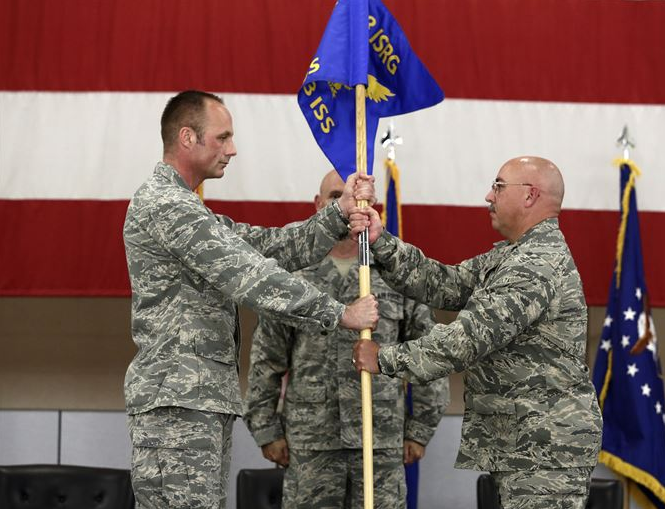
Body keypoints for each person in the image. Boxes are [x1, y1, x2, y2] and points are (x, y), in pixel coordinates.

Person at [123, 90, 379, 509]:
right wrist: (339, 313)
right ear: (187, 138)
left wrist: (337, 214)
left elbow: (266, 247)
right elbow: (249, 275)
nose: (232, 149)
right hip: (178, 402)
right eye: (222, 137)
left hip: (196, 398)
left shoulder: (189, 209)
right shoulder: (166, 205)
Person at [352, 156, 603, 509]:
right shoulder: (513, 256)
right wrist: (382, 243)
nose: (489, 195)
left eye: (498, 186)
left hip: (545, 447)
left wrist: (385, 359)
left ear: (530, 195)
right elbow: (446, 283)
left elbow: (467, 338)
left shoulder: (536, 265)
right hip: (524, 442)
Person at [244, 170, 449, 509]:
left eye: (360, 197)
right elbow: (266, 359)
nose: (351, 204)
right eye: (337, 195)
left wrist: (419, 429)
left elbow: (428, 354)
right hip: (310, 445)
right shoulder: (293, 277)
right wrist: (267, 430)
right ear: (319, 205)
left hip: (380, 443)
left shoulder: (396, 272)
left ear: (372, 206)